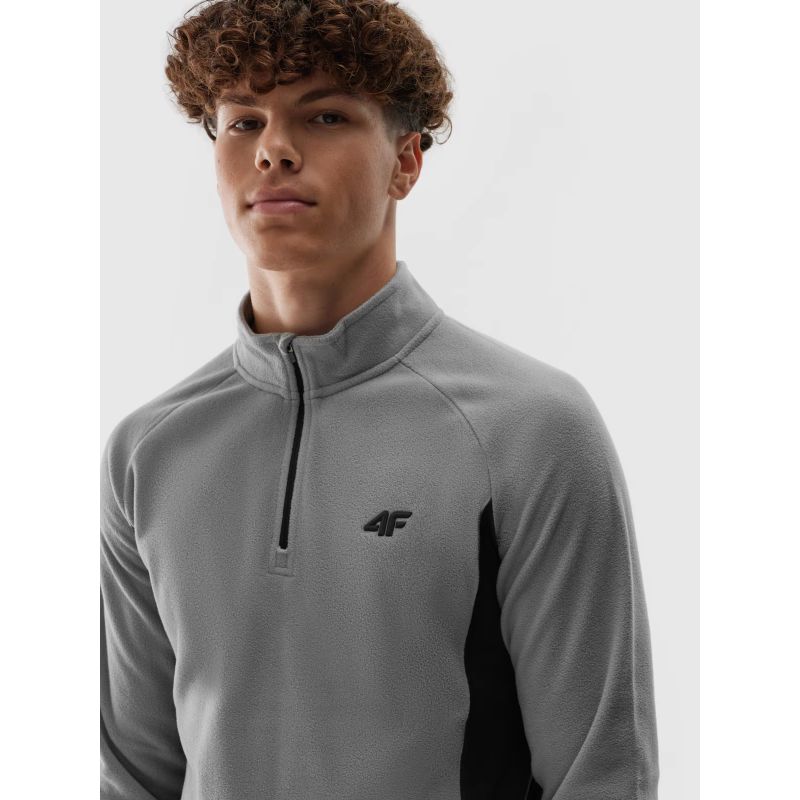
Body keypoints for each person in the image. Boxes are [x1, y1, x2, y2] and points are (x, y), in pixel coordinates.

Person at [99, 0, 660, 798]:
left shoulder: (530, 430)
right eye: (243, 122)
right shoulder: (148, 451)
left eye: (324, 116)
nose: (274, 150)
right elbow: (131, 776)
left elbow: (603, 776)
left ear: (406, 161)